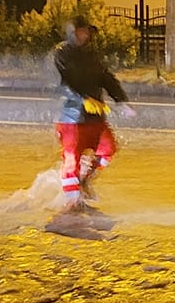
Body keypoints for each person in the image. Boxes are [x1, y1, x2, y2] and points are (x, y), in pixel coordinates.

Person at [52, 18, 134, 214]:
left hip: (94, 116)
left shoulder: (91, 55)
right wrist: (81, 99)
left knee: (108, 149)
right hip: (71, 117)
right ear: (72, 32)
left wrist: (120, 100)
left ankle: (84, 180)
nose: (85, 36)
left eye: (87, 32)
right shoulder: (61, 53)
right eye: (81, 32)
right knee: (72, 156)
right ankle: (72, 200)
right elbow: (60, 81)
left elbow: (105, 77)